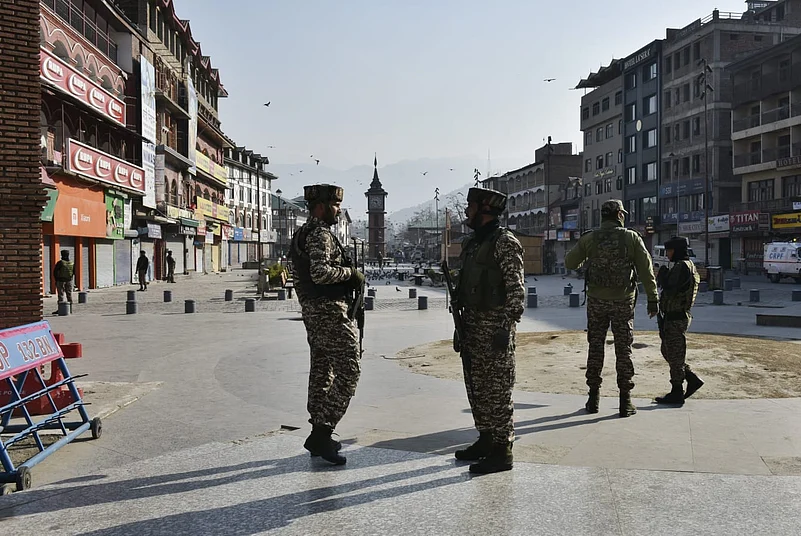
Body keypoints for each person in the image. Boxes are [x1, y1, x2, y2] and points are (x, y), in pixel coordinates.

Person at [453, 187, 525, 474]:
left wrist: (505, 328)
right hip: (471, 326)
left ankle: (502, 449)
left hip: (495, 328)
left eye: (471, 206)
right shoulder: (472, 243)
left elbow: (516, 292)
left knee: (498, 390)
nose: (467, 211)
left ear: (485, 209)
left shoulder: (505, 242)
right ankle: (485, 438)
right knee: (477, 387)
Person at [290, 184, 363, 466]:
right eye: (334, 205)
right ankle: (322, 432)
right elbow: (320, 273)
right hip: (329, 312)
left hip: (315, 313)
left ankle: (318, 432)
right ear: (320, 206)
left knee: (322, 372)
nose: (338, 210)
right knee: (349, 370)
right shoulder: (319, 234)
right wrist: (351, 274)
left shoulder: (303, 233)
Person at [565, 199, 658, 418]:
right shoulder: (631, 238)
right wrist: (653, 298)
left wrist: (587, 257)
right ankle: (625, 401)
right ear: (619, 215)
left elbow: (570, 263)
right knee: (623, 349)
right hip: (623, 301)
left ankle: (593, 398)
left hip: (596, 301)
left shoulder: (590, 238)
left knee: (595, 347)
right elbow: (646, 269)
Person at [655, 237, 704, 405]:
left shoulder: (682, 266)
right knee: (669, 352)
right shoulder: (686, 265)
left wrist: (662, 275)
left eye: (669, 250)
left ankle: (677, 391)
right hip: (675, 315)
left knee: (674, 355)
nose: (667, 254)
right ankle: (690, 378)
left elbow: (670, 287)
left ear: (676, 250)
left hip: (676, 316)